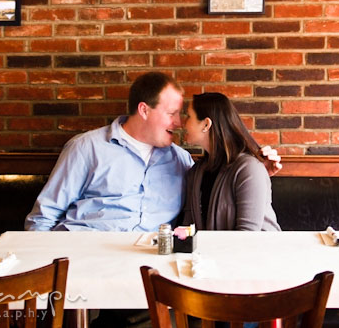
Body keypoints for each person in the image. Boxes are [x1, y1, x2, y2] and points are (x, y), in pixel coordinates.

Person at [24, 72, 282, 232]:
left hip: (150, 273)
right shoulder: (87, 148)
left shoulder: (182, 161)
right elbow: (42, 218)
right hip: (81, 258)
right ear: (144, 110)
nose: (179, 123)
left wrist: (257, 173)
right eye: (171, 114)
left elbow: (224, 189)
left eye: (182, 115)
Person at [181, 93, 280, 231]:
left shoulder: (249, 169)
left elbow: (247, 235)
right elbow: (188, 229)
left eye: (188, 117)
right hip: (211, 251)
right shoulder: (195, 172)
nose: (182, 123)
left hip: (258, 251)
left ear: (206, 124)